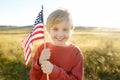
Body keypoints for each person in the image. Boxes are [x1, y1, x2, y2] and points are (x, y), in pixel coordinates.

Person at [30, 9, 83, 80]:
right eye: (55, 29)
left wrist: (54, 71)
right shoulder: (42, 48)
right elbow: (34, 77)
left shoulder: (75, 52)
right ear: (49, 30)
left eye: (65, 29)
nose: (60, 34)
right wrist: (39, 62)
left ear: (71, 30)